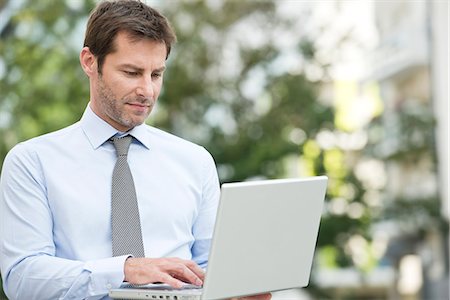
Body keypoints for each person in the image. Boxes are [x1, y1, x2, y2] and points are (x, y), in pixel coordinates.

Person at [0, 1, 271, 299]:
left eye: (156, 75)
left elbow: (209, 271)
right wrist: (124, 271)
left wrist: (233, 291)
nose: (147, 91)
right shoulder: (32, 162)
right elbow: (22, 278)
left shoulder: (195, 161)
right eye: (131, 72)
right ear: (90, 62)